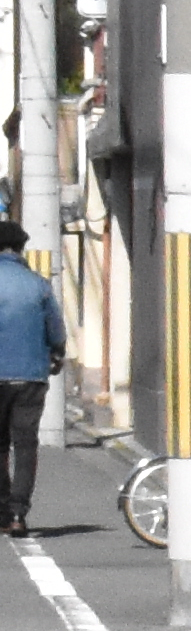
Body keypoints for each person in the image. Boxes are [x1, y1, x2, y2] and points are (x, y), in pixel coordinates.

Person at [0, 220, 55, 534]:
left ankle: (2, 511)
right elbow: (56, 330)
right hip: (31, 377)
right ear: (21, 249)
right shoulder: (39, 284)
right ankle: (19, 513)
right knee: (25, 444)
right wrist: (56, 353)